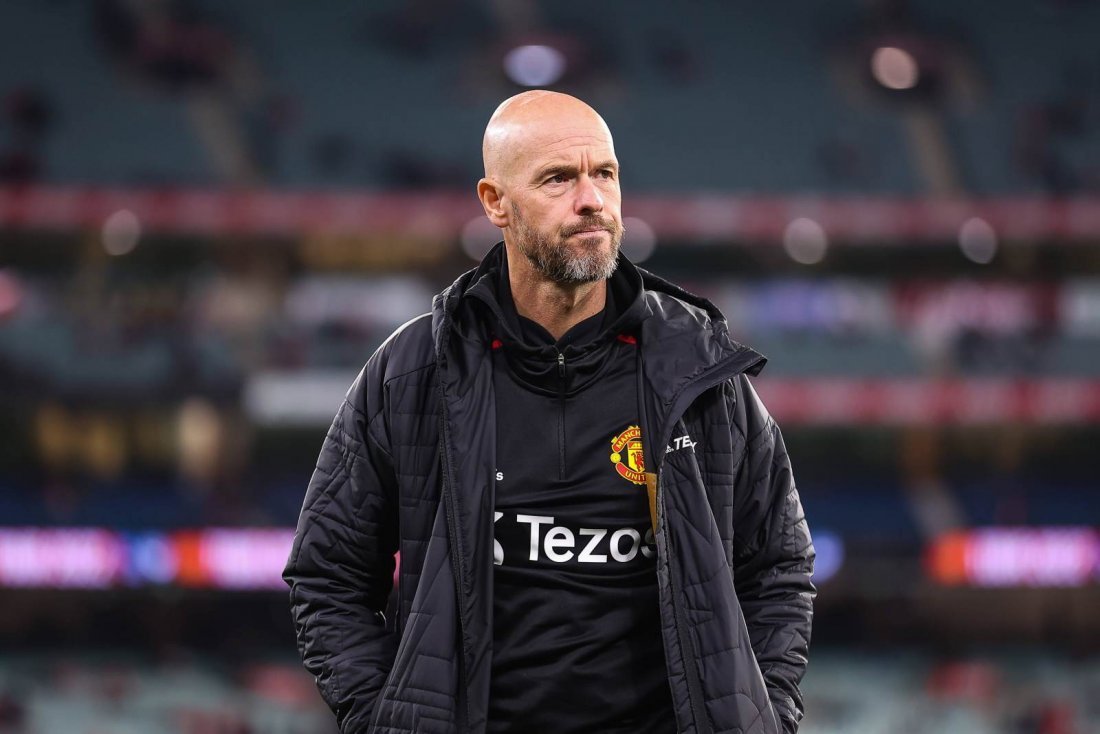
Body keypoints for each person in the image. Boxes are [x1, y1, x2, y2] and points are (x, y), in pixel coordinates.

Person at [284, 91, 815, 734]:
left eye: (605, 174)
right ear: (495, 202)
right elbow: (328, 575)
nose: (592, 199)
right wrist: (385, 721)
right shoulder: (412, 373)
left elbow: (779, 568)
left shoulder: (699, 370)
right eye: (559, 178)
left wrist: (765, 716)